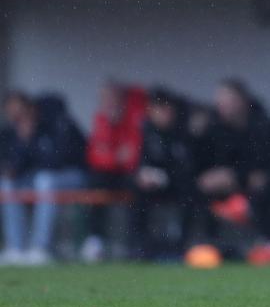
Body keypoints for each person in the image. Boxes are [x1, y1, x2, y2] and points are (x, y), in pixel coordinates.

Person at [195, 80, 270, 251]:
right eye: (220, 102)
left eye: (227, 101)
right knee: (199, 187)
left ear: (241, 101)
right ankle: (208, 242)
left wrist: (237, 176)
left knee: (268, 187)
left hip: (260, 185)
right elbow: (204, 160)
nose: (222, 106)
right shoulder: (213, 126)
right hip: (226, 188)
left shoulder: (262, 125)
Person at [0, 91, 85, 265]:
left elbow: (56, 161)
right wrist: (23, 143)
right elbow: (15, 165)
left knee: (44, 180)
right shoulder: (12, 132)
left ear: (30, 109)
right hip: (37, 179)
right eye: (13, 115)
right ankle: (16, 248)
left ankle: (40, 248)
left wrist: (30, 142)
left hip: (71, 176)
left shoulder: (55, 124)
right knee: (7, 184)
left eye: (20, 113)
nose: (17, 119)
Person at [82, 82, 146, 261]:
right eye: (103, 99)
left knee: (139, 187)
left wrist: (111, 156)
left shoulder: (134, 118)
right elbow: (94, 156)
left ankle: (135, 243)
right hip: (107, 174)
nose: (107, 103)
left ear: (121, 100)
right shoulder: (101, 120)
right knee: (95, 183)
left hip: (128, 174)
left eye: (111, 98)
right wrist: (115, 157)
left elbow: (133, 155)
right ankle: (95, 240)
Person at [131, 87, 195, 260]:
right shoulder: (145, 131)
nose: (163, 114)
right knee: (137, 191)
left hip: (178, 186)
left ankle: (181, 245)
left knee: (190, 194)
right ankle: (140, 245)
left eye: (166, 109)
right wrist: (144, 175)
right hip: (152, 187)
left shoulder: (182, 132)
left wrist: (164, 177)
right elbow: (138, 162)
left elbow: (186, 168)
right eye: (158, 109)